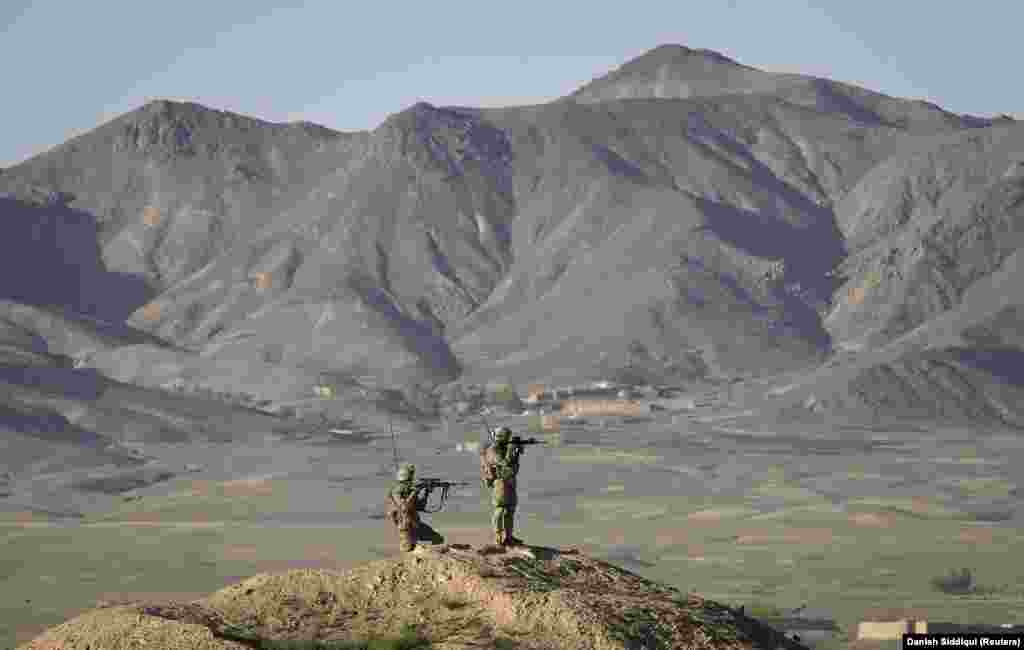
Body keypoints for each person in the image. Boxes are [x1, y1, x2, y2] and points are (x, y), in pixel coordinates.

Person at [480, 427, 524, 546]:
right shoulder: (493, 450)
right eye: (507, 437)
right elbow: (505, 462)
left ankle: (509, 537)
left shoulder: (503, 448)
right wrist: (511, 449)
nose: (509, 440)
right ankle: (498, 538)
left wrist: (517, 450)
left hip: (510, 481)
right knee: (500, 509)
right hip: (500, 483)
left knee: (510, 510)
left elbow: (512, 463)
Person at [386, 464, 444, 552]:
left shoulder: (409, 491)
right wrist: (415, 492)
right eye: (409, 480)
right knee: (407, 548)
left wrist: (426, 492)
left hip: (415, 524)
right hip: (405, 526)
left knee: (437, 539)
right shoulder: (396, 491)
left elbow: (420, 506)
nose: (411, 482)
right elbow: (404, 507)